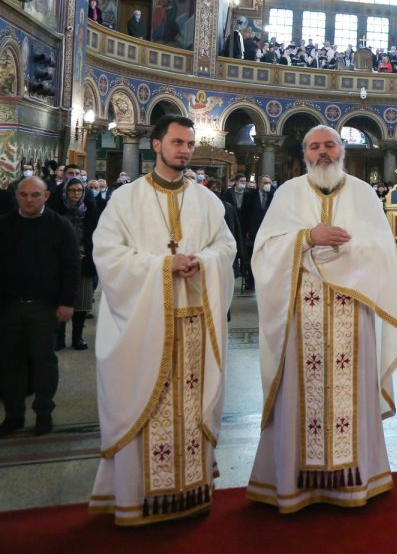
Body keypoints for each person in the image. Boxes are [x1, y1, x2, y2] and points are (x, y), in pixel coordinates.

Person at [248, 125, 397, 512]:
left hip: (351, 318)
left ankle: (355, 477)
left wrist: (343, 254)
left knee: (351, 394)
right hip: (300, 318)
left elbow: (382, 253)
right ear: (305, 153)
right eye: (315, 146)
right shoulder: (287, 194)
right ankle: (294, 481)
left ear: (343, 150)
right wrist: (307, 238)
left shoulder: (364, 194)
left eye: (330, 145)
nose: (323, 152)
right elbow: (264, 251)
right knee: (299, 395)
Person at [88, 115, 237, 525]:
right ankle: (138, 496)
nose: (184, 150)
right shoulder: (126, 199)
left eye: (189, 143)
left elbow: (226, 247)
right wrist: (163, 266)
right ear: (156, 145)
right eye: (177, 142)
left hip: (194, 326)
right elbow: (108, 254)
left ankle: (190, 490)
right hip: (145, 324)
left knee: (191, 407)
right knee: (146, 403)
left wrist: (203, 262)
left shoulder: (208, 201)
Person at [0, 177, 80, 437]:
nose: (29, 200)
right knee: (10, 362)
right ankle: (13, 415)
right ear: (17, 196)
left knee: (44, 361)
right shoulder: (6, 224)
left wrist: (67, 302)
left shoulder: (60, 225)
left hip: (46, 307)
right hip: (9, 307)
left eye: (35, 195)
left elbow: (71, 267)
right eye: (23, 195)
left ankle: (43, 412)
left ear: (46, 196)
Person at [47, 177, 100, 351]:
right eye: (72, 190)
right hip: (60, 262)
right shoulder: (56, 210)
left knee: (82, 301)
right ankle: (59, 336)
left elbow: (95, 234)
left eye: (79, 190)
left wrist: (85, 251)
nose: (76, 193)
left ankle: (77, 337)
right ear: (65, 191)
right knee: (61, 299)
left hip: (84, 261)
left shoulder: (90, 209)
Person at [222, 172, 265, 290]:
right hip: (232, 222)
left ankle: (245, 273)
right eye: (241, 181)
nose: (243, 183)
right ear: (235, 182)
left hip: (243, 223)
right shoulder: (228, 193)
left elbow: (248, 211)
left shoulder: (248, 194)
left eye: (244, 181)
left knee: (245, 251)